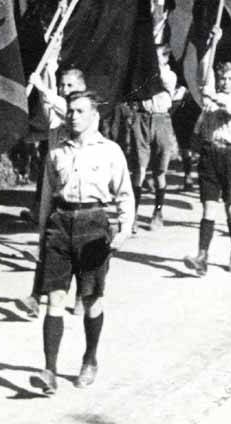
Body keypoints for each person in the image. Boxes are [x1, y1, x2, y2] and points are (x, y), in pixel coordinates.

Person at [31, 89, 133, 395]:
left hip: (93, 224)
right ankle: (49, 370)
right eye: (70, 111)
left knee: (91, 298)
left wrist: (124, 229)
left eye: (80, 111)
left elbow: (125, 193)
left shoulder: (110, 151)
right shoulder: (57, 151)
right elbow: (47, 195)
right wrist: (42, 235)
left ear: (94, 116)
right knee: (55, 298)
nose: (73, 116)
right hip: (60, 223)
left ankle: (89, 359)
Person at [16, 66, 88, 319]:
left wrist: (42, 87)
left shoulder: (86, 114)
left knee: (79, 247)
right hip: (54, 183)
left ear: (82, 88)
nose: (65, 90)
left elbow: (60, 106)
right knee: (46, 237)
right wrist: (50, 71)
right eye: (62, 85)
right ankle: (35, 297)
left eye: (70, 86)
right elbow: (50, 109)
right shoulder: (58, 115)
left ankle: (82, 294)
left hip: (79, 189)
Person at [184, 60, 231, 275]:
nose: (226, 82)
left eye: (230, 78)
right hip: (210, 154)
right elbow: (200, 124)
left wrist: (211, 96)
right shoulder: (210, 101)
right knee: (208, 207)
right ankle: (202, 257)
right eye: (222, 78)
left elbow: (230, 109)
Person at [118, 44, 179, 231]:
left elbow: (160, 80)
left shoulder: (169, 75)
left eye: (157, 56)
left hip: (161, 120)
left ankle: (158, 211)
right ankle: (133, 215)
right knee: (139, 169)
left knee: (160, 171)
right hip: (142, 119)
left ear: (166, 58)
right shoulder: (143, 73)